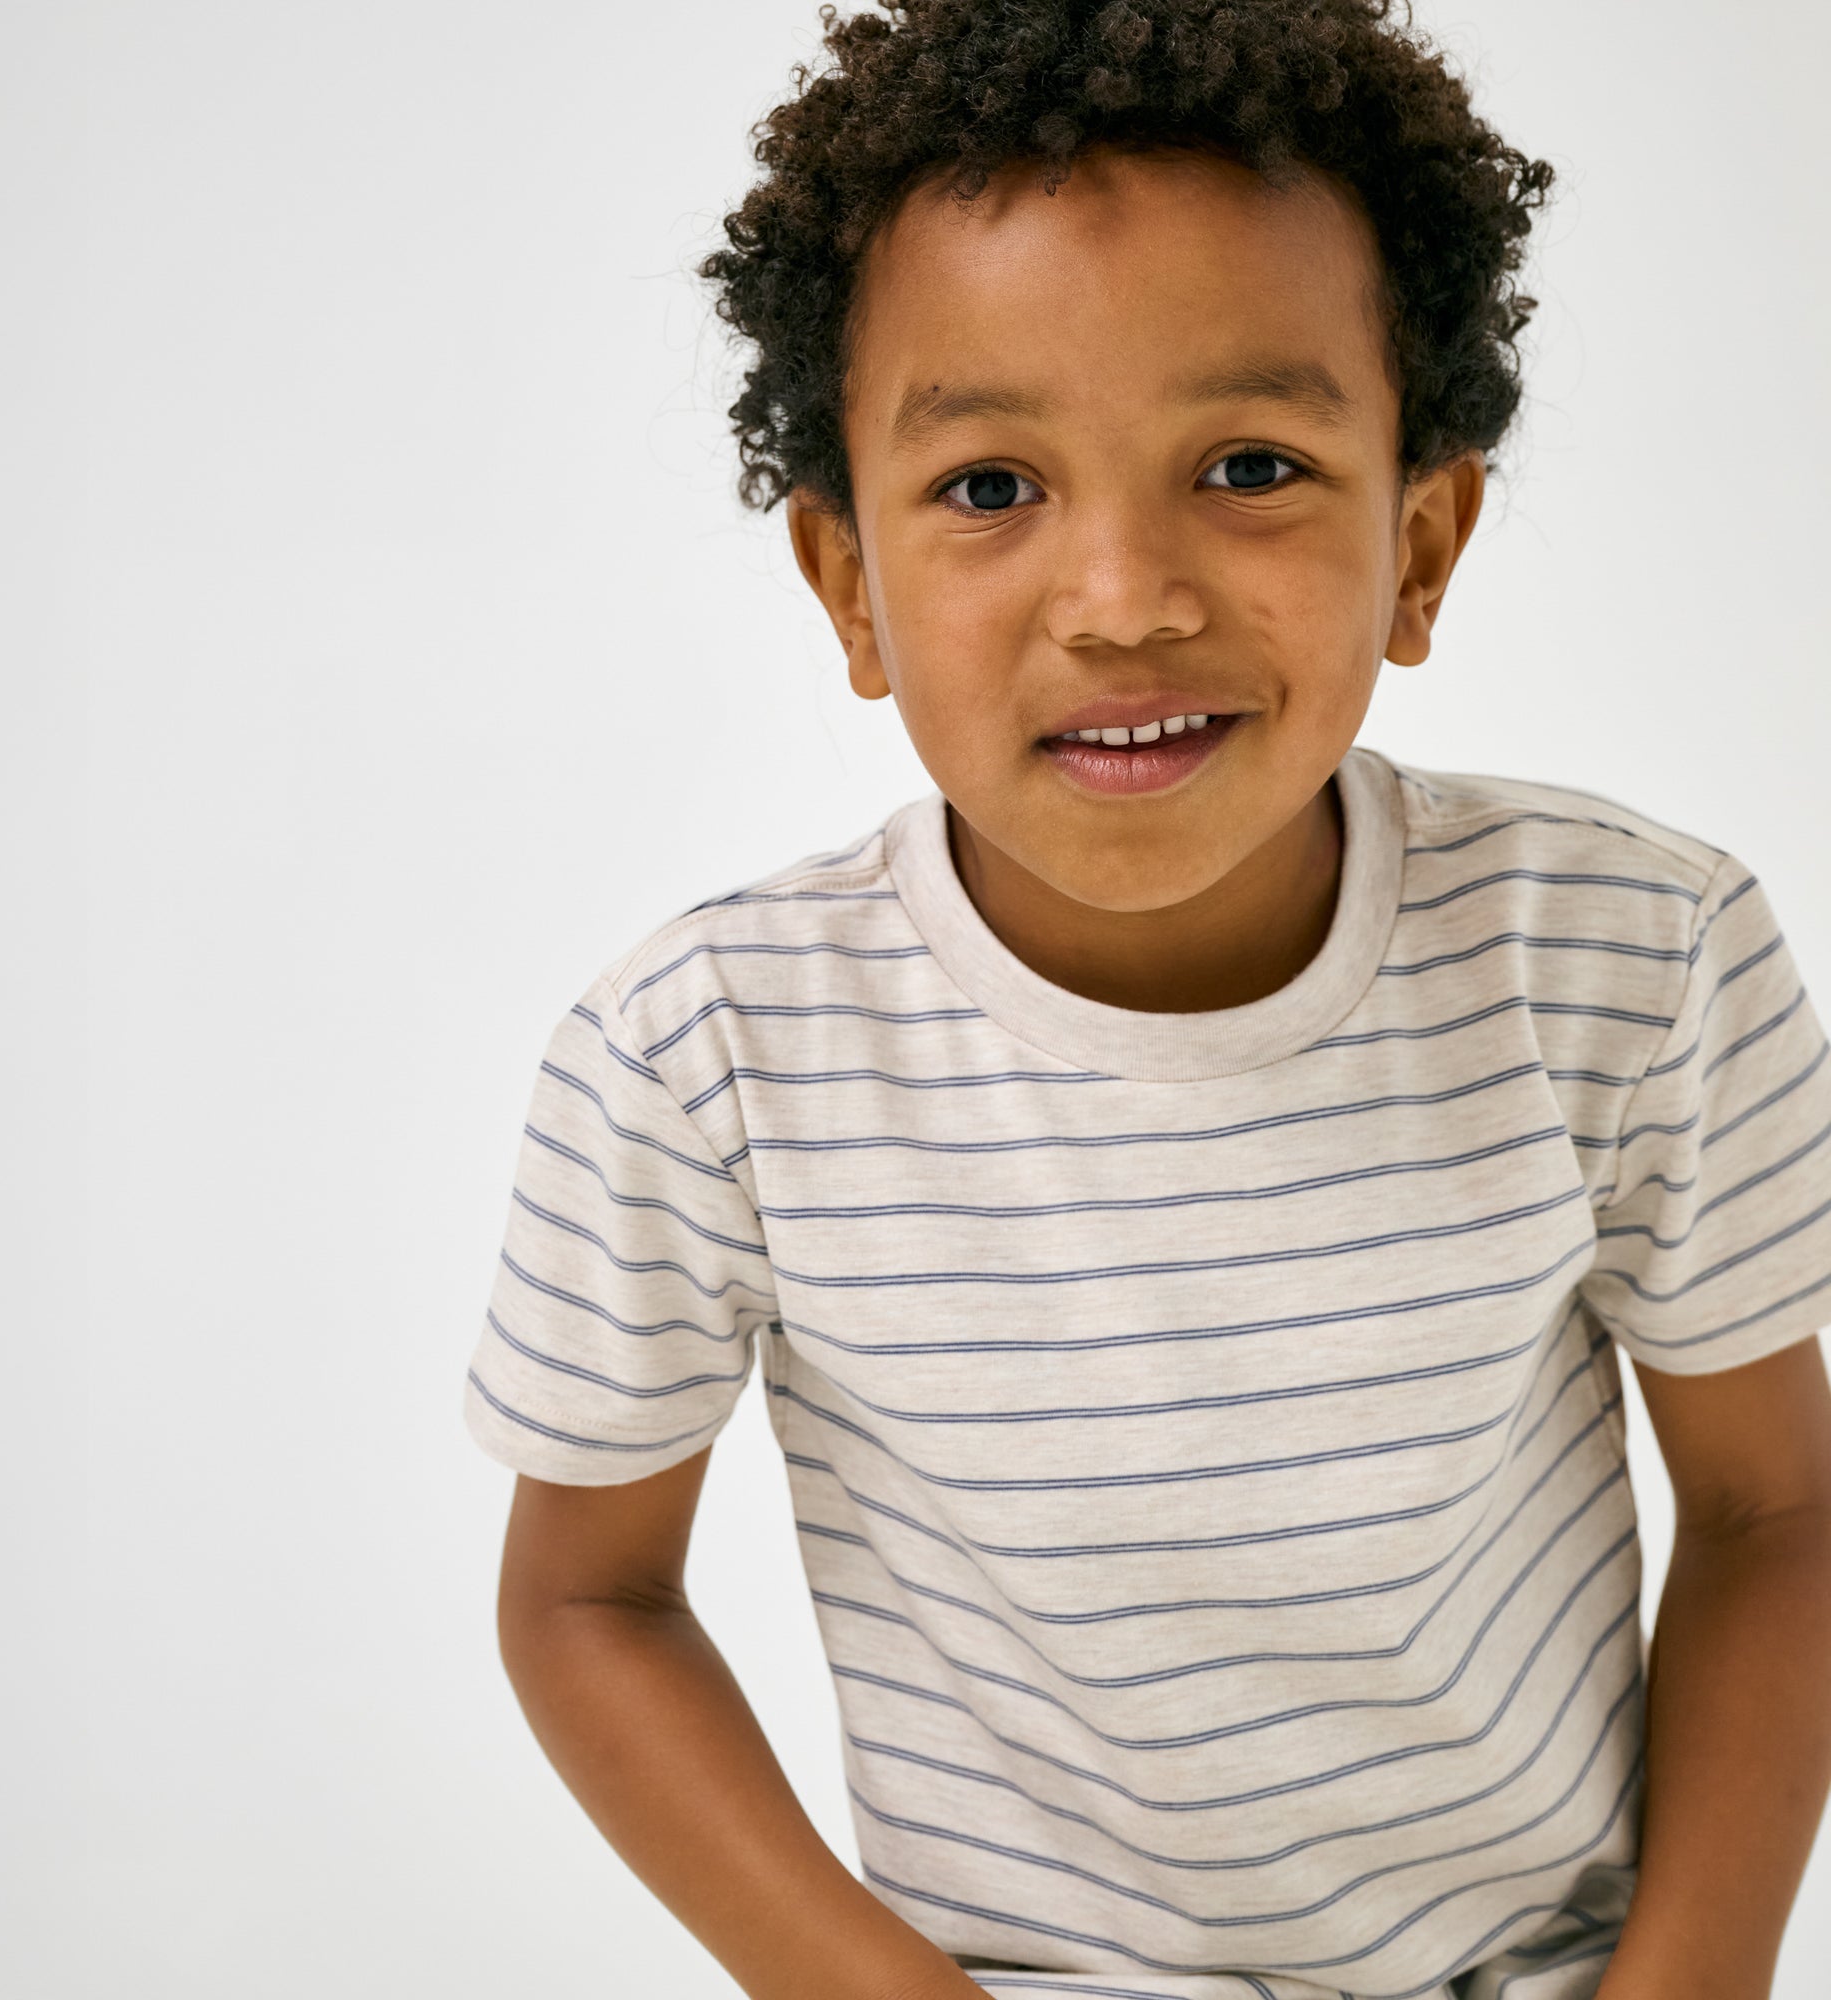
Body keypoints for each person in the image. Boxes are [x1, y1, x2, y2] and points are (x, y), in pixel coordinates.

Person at [461, 3, 1831, 1995]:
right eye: (989, 487)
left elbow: (1775, 1511)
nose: (1122, 598)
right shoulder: (703, 1058)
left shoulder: (1631, 955)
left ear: (1420, 543)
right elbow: (586, 1602)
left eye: (1249, 465)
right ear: (847, 584)